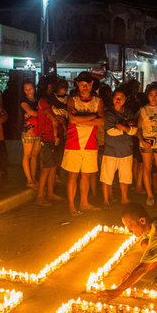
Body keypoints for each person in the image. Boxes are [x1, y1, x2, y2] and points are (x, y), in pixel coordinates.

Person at [61, 71, 104, 216]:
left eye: (88, 84)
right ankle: (71, 205)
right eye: (82, 85)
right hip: (73, 142)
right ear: (78, 85)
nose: (85, 87)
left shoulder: (98, 101)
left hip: (91, 142)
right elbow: (72, 120)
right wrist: (92, 116)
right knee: (73, 175)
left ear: (92, 84)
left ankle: (84, 202)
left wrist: (80, 118)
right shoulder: (72, 100)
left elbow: (102, 121)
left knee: (86, 175)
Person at [100, 89, 137, 209]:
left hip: (126, 150)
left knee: (125, 177)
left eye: (121, 97)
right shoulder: (109, 113)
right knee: (107, 177)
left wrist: (122, 127)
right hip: (111, 151)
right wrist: (127, 129)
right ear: (113, 98)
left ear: (125, 100)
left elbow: (134, 131)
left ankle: (124, 198)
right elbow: (111, 131)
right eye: (116, 97)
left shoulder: (129, 113)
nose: (119, 100)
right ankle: (106, 201)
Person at [137, 84, 157, 206]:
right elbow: (138, 128)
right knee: (147, 168)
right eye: (151, 95)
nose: (153, 97)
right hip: (147, 142)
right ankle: (150, 196)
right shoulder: (144, 110)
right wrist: (142, 141)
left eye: (156, 95)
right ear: (147, 96)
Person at [35, 81, 64, 206]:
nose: (52, 89)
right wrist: (57, 121)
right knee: (46, 167)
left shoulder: (49, 102)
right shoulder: (43, 101)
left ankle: (50, 193)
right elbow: (52, 117)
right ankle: (40, 196)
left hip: (53, 138)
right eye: (50, 87)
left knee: (52, 167)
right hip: (47, 138)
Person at [20, 81, 41, 188]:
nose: (29, 91)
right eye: (26, 89)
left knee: (34, 155)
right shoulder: (24, 102)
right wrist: (43, 114)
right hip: (29, 131)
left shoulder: (38, 100)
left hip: (38, 130)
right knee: (27, 155)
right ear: (24, 91)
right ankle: (29, 180)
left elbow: (34, 113)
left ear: (34, 88)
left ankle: (33, 178)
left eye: (30, 88)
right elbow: (32, 113)